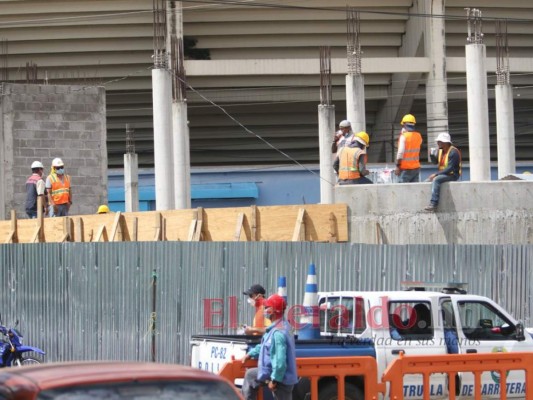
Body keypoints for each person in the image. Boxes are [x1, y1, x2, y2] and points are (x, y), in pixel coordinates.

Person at [241, 294, 298, 400]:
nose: (265, 310)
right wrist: (251, 354)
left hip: (281, 380)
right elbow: (265, 346)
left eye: (267, 307)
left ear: (275, 310)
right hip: (276, 374)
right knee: (250, 375)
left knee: (250, 375)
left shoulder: (278, 333)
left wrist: (275, 380)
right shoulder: (283, 325)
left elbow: (280, 362)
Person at [424, 132, 462, 211]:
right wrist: (431, 155)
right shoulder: (441, 151)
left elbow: (450, 168)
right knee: (427, 181)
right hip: (443, 174)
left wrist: (436, 174)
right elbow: (435, 162)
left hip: (453, 175)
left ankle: (434, 203)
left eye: (440, 141)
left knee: (436, 180)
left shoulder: (453, 152)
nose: (438, 143)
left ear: (446, 142)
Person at [395, 114, 423, 183]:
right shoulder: (418, 136)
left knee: (403, 190)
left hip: (405, 169)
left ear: (404, 124)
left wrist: (398, 166)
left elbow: (400, 153)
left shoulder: (403, 136)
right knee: (414, 190)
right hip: (416, 168)